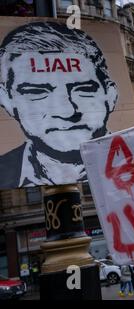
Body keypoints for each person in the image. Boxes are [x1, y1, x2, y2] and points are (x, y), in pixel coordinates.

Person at [0, 22, 118, 189]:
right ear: (6, 100)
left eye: (83, 90)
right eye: (37, 92)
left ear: (111, 95)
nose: (68, 111)